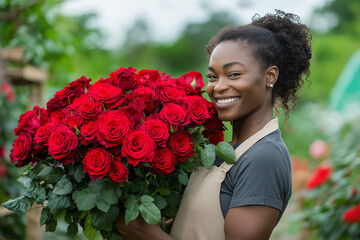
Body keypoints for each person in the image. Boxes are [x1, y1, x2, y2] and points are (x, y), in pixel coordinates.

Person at [115, 9, 312, 240]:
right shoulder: (223, 153)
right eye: (212, 76)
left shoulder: (263, 157)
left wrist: (145, 234)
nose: (218, 87)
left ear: (270, 76)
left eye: (234, 74)